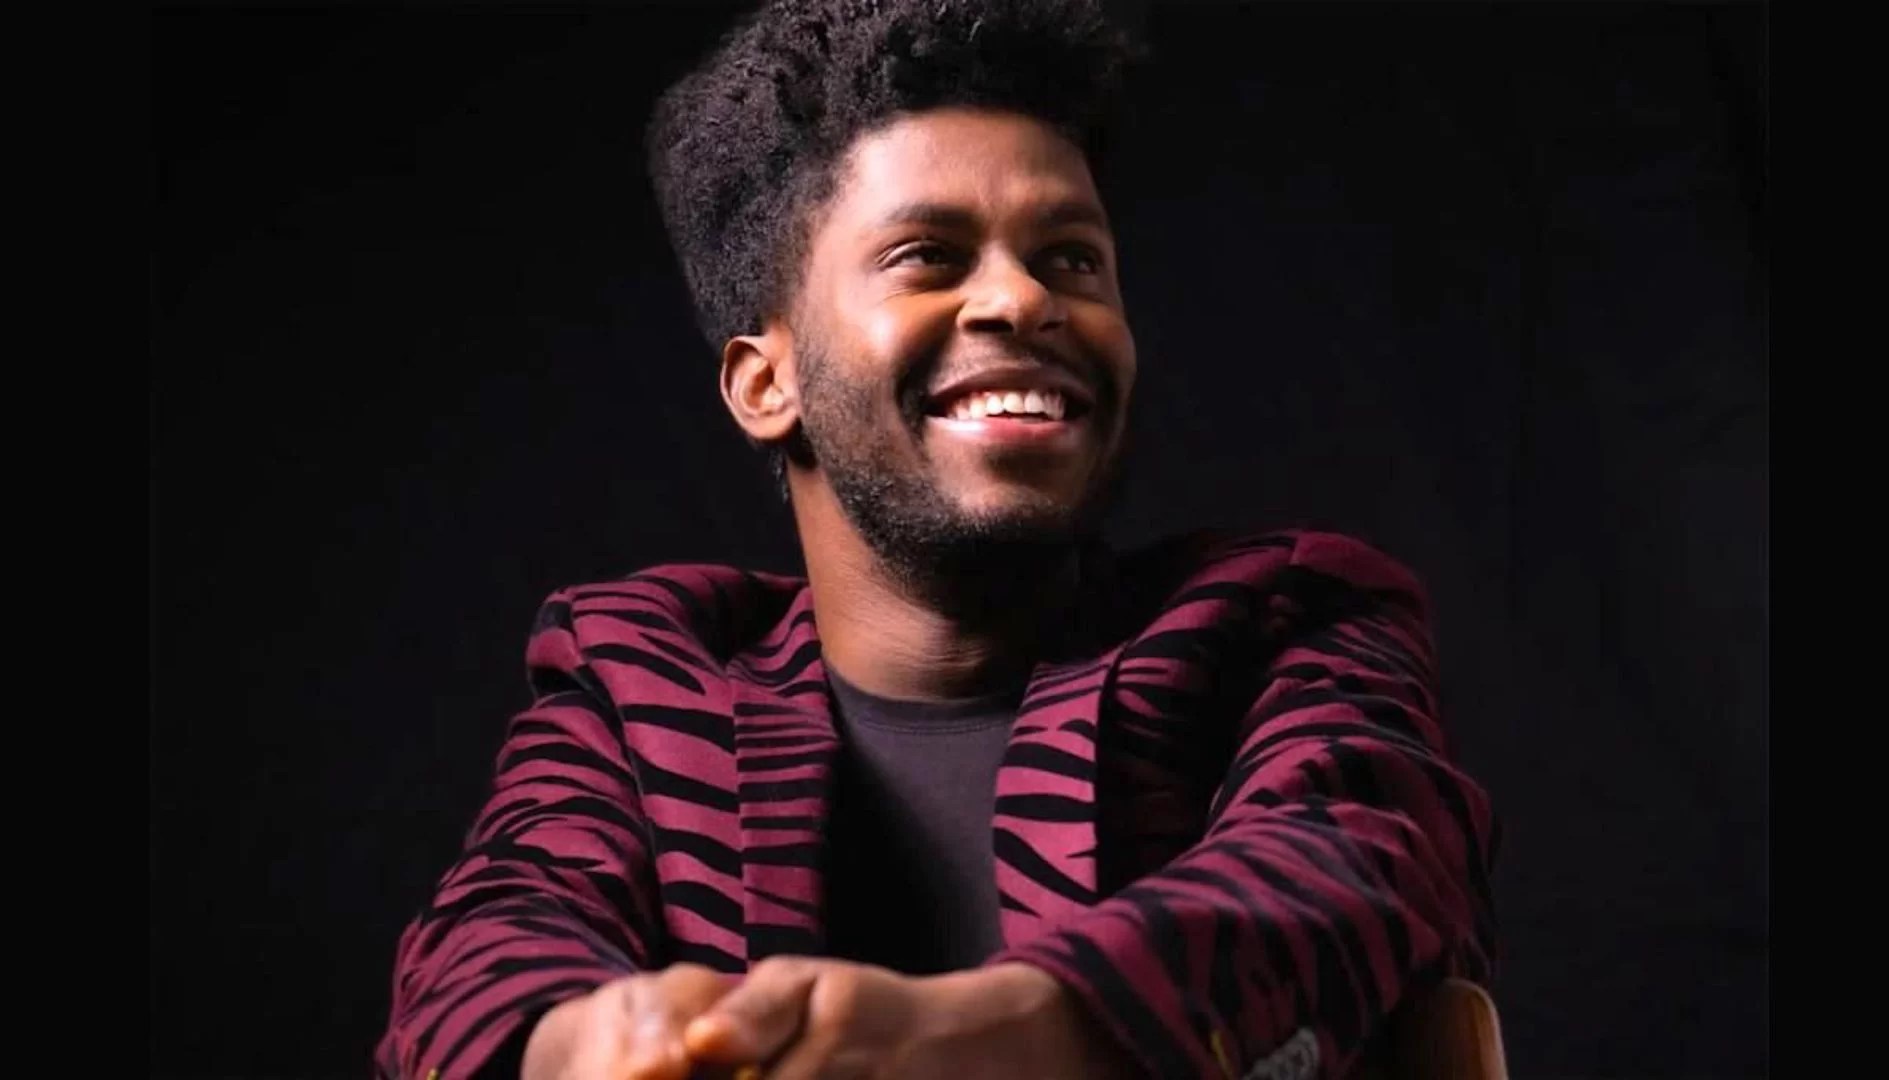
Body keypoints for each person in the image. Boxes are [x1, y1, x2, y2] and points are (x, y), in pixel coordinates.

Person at [374, 1, 1498, 1077]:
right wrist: (594, 1044)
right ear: (766, 384)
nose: (1023, 300)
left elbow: (1359, 863)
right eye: (929, 255)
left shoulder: (1285, 623)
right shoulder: (639, 677)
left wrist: (971, 1041)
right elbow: (486, 947)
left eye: (1072, 258)